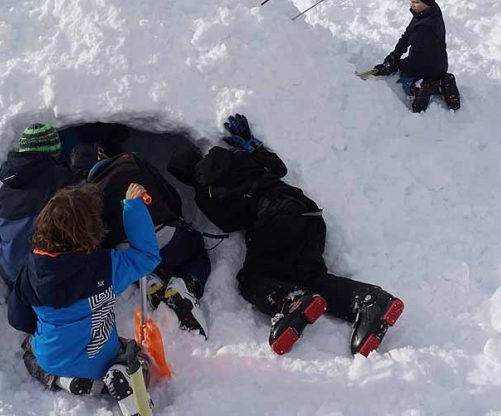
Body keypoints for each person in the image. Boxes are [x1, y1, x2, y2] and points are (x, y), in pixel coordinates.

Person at [167, 114, 403, 357]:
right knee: (308, 276)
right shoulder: (235, 155)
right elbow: (279, 168)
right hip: (308, 212)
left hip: (274, 218)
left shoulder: (203, 192)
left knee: (251, 279)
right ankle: (370, 302)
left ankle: (290, 301)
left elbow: (230, 223)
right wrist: (251, 145)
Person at [8, 182, 159, 416]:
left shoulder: (31, 270)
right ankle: (119, 374)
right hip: (100, 358)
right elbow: (147, 256)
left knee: (30, 354)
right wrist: (133, 206)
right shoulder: (108, 266)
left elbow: (19, 319)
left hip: (52, 359)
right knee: (137, 357)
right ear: (91, 230)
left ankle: (63, 382)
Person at [79, 144, 211, 338]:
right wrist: (174, 217)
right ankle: (185, 283)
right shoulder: (131, 161)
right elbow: (169, 195)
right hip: (166, 235)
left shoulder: (86, 195)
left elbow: (99, 238)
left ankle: (148, 281)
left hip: (128, 250)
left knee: (129, 262)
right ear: (101, 154)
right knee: (198, 253)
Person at [0, 123, 81, 285]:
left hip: (12, 273)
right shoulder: (62, 179)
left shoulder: (6, 187)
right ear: (53, 150)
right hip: (44, 275)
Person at [372, 0, 461, 112]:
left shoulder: (425, 28)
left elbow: (417, 59)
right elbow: (407, 36)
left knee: (405, 79)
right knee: (413, 69)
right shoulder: (427, 14)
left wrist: (398, 65)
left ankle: (421, 87)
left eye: (416, 2)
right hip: (439, 64)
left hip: (426, 67)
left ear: (427, 1)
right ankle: (442, 81)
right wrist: (395, 55)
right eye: (411, 2)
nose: (412, 6)